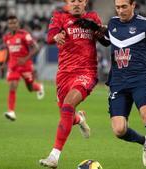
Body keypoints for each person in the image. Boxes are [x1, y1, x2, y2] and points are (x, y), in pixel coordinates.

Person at [75, 0, 146, 168]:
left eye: (124, 7)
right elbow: (107, 41)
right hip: (118, 83)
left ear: (133, 5)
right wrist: (93, 28)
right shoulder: (113, 23)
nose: (120, 10)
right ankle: (145, 142)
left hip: (140, 80)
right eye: (118, 7)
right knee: (119, 130)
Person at [39, 0, 105, 168]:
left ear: (86, 2)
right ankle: (80, 118)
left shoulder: (92, 17)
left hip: (86, 72)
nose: (76, 4)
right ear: (67, 2)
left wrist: (98, 29)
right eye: (72, 0)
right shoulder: (59, 17)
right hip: (64, 75)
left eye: (80, 0)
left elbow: (106, 40)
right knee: (66, 113)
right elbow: (49, 37)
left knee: (68, 104)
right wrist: (56, 36)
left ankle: (54, 156)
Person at [2, 15, 44, 121]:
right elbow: (8, 51)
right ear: (8, 25)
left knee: (30, 88)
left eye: (14, 23)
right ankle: (11, 112)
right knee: (12, 86)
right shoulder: (6, 37)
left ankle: (39, 87)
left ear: (18, 24)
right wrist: (4, 63)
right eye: (11, 23)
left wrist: (25, 59)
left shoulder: (24, 35)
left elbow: (36, 48)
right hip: (13, 66)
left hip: (25, 65)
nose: (13, 25)